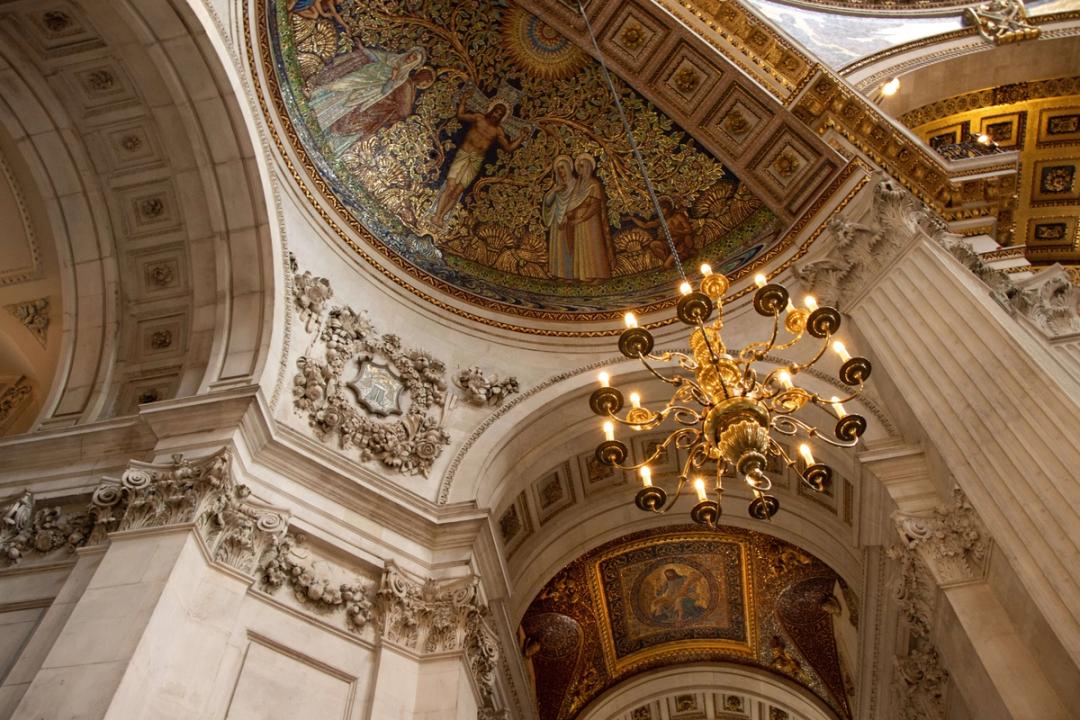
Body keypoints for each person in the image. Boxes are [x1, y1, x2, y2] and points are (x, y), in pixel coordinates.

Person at [432, 96, 529, 224]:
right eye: (496, 111)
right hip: (463, 154)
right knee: (450, 186)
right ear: (492, 110)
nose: (496, 115)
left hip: (476, 160)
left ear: (502, 117)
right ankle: (436, 215)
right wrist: (463, 101)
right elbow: (460, 115)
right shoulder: (479, 118)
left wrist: (521, 138)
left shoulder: (498, 131)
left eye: (499, 115)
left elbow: (509, 148)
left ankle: (442, 218)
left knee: (457, 192)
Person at [308, 46, 426, 148]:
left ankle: (319, 115)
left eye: (414, 58)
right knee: (337, 85)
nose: (410, 57)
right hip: (363, 75)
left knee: (343, 101)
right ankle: (313, 97)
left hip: (367, 90)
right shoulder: (393, 58)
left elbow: (385, 90)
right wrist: (362, 48)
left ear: (414, 64)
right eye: (412, 54)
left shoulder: (402, 77)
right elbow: (375, 56)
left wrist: (393, 78)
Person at [328, 65, 435, 141]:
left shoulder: (409, 85)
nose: (425, 82)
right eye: (426, 79)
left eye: (427, 81)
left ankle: (337, 132)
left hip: (383, 110)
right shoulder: (407, 83)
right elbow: (404, 110)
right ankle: (336, 130)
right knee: (356, 120)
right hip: (380, 106)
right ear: (422, 78)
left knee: (358, 122)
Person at [564, 153, 615, 280]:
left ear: (588, 167)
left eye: (582, 166)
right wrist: (570, 213)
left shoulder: (594, 184)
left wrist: (581, 218)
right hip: (578, 221)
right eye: (578, 167)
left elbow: (595, 205)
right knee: (581, 246)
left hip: (591, 221)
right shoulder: (579, 186)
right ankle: (583, 275)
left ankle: (598, 274)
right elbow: (573, 203)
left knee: (593, 245)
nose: (580, 170)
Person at [541, 155, 575, 279]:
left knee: (569, 247)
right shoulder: (558, 187)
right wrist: (555, 190)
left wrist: (569, 216)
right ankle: (558, 273)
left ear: (569, 168)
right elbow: (548, 202)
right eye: (558, 169)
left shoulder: (576, 185)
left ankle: (571, 274)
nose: (561, 171)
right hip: (557, 222)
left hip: (571, 222)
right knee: (559, 248)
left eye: (562, 167)